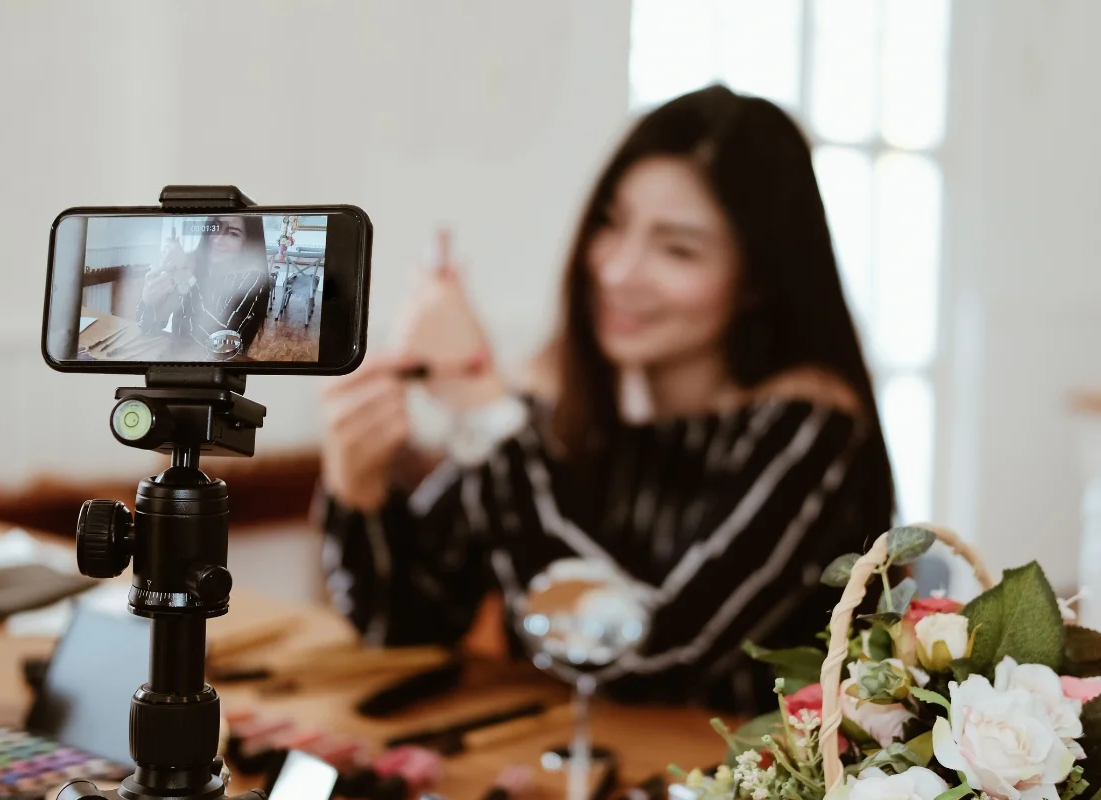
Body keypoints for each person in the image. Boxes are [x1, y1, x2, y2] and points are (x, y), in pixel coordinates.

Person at [318, 85, 896, 714]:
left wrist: (485, 412)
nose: (618, 270)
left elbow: (649, 659)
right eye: (610, 224)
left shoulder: (811, 433)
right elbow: (404, 625)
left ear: (757, 279)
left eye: (677, 248)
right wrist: (360, 487)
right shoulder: (559, 404)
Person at [137, 215, 270, 359]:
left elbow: (219, 346)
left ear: (248, 241)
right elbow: (150, 327)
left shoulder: (253, 279)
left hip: (220, 373)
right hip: (176, 362)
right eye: (215, 227)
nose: (218, 239)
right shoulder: (193, 263)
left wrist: (185, 273)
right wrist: (149, 302)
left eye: (233, 233)